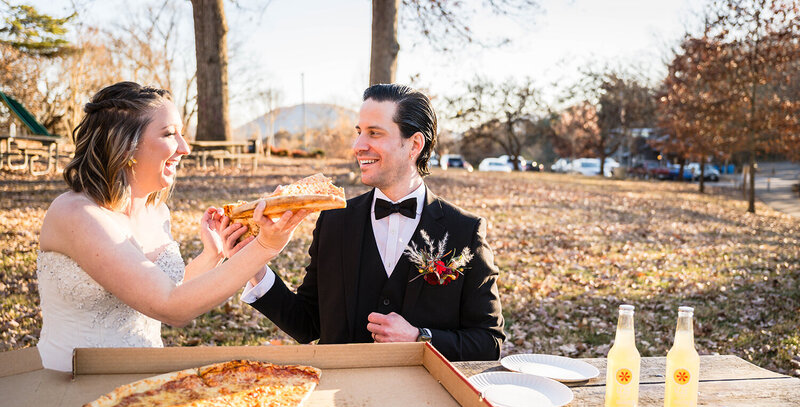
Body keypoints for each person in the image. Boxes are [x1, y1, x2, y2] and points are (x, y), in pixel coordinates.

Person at [36, 81, 308, 372]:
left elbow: (166, 289)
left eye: (182, 134)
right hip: (71, 381)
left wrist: (212, 254)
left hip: (147, 379)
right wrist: (265, 246)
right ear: (125, 144)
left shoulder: (157, 211)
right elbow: (171, 307)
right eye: (169, 134)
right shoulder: (75, 214)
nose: (185, 148)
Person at [228, 83, 504, 362]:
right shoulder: (334, 221)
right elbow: (306, 323)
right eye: (359, 133)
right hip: (339, 391)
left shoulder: (464, 231)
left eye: (374, 133)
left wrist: (420, 337)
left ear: (414, 145)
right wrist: (253, 266)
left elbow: (488, 342)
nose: (358, 146)